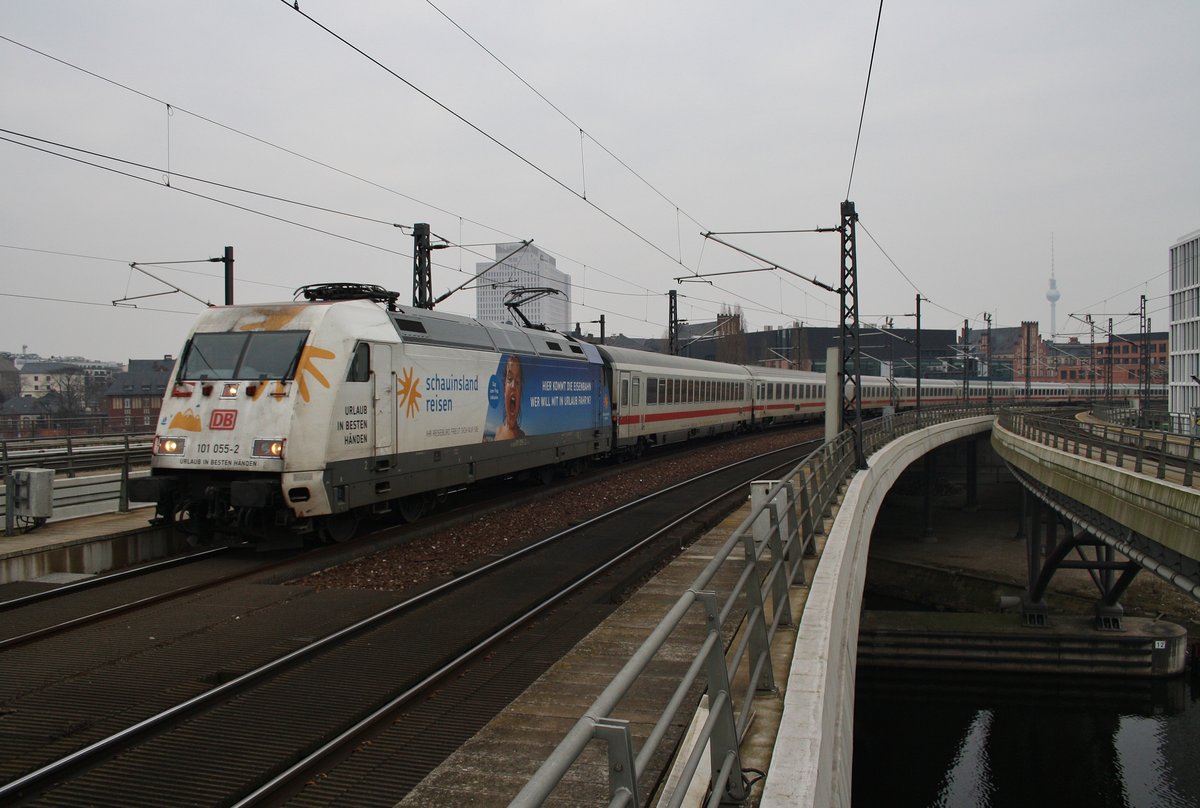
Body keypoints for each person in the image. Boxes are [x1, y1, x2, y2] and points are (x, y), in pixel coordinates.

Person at [494, 354, 526, 440]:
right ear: (504, 390)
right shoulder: (498, 431)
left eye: (518, 381)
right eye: (509, 378)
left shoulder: (522, 435)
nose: (513, 386)